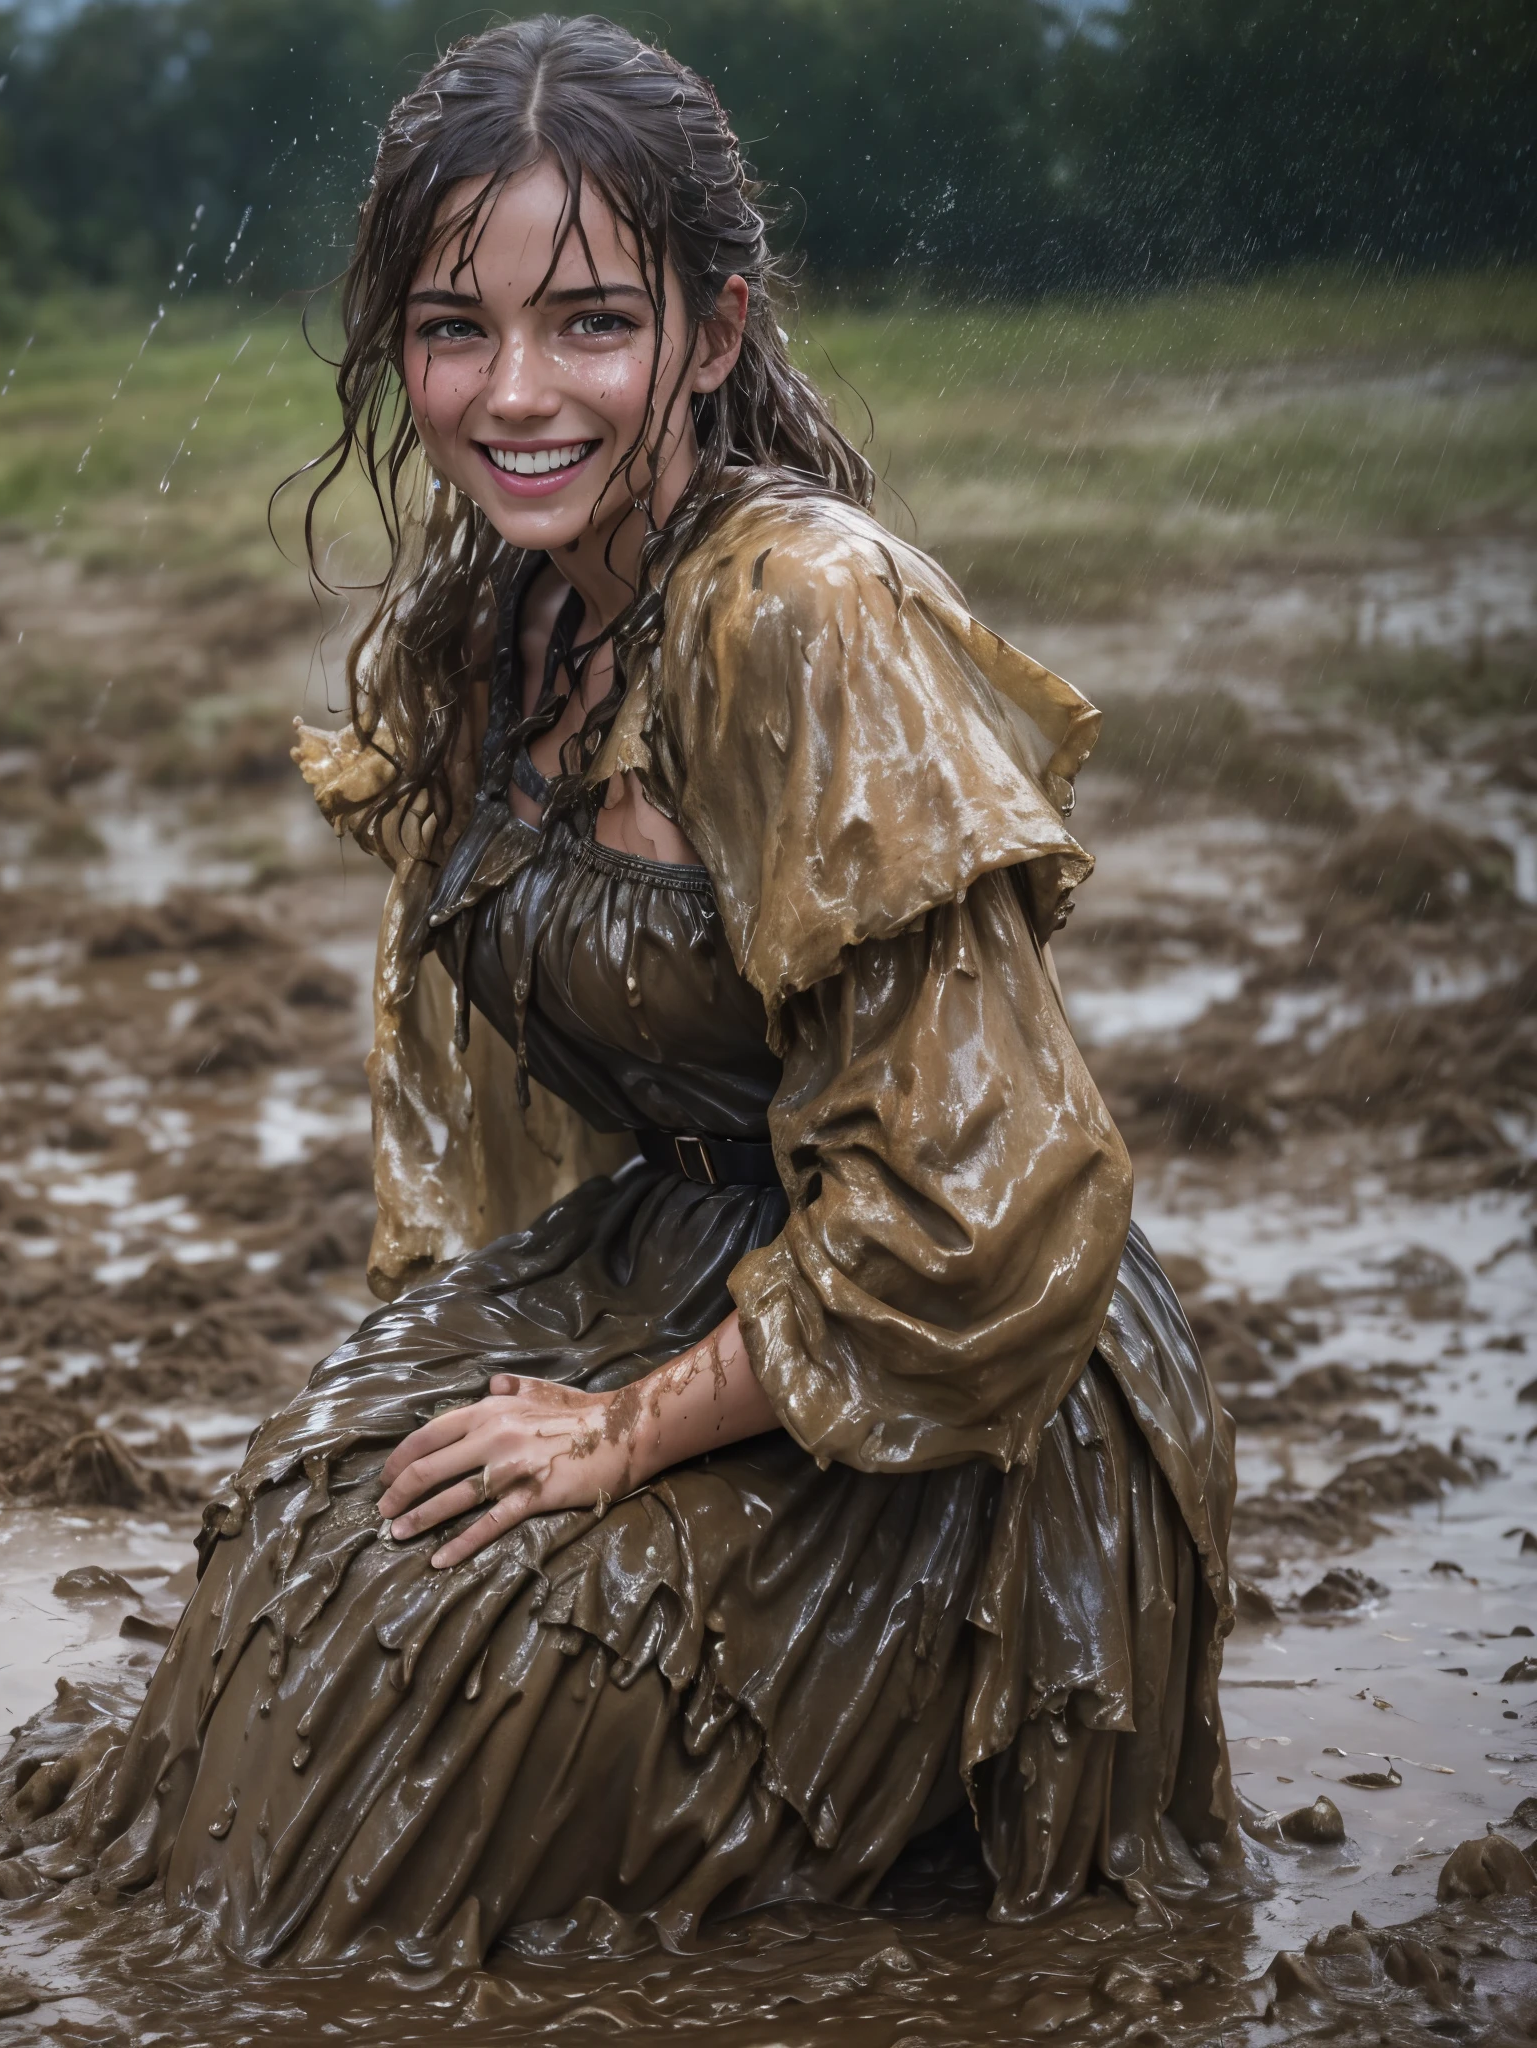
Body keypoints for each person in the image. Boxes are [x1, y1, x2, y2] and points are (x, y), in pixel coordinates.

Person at [69, 13, 1238, 1966]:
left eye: (588, 322)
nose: (514, 393)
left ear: (712, 327)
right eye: (455, 327)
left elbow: (988, 1204)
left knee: (456, 1690)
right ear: (393, 344)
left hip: (959, 1408)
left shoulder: (799, 613)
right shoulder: (500, 606)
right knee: (311, 1539)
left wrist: (616, 1436)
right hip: (678, 1265)